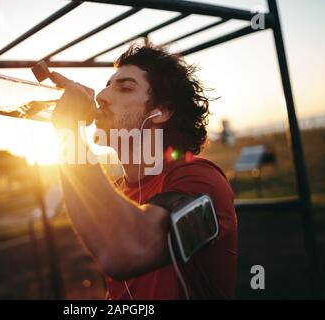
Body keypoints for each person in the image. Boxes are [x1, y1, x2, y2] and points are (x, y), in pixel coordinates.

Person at [48, 44, 237, 300]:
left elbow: (127, 251)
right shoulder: (116, 192)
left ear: (161, 111)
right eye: (107, 85)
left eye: (125, 88)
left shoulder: (199, 179)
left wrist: (68, 131)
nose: (101, 95)